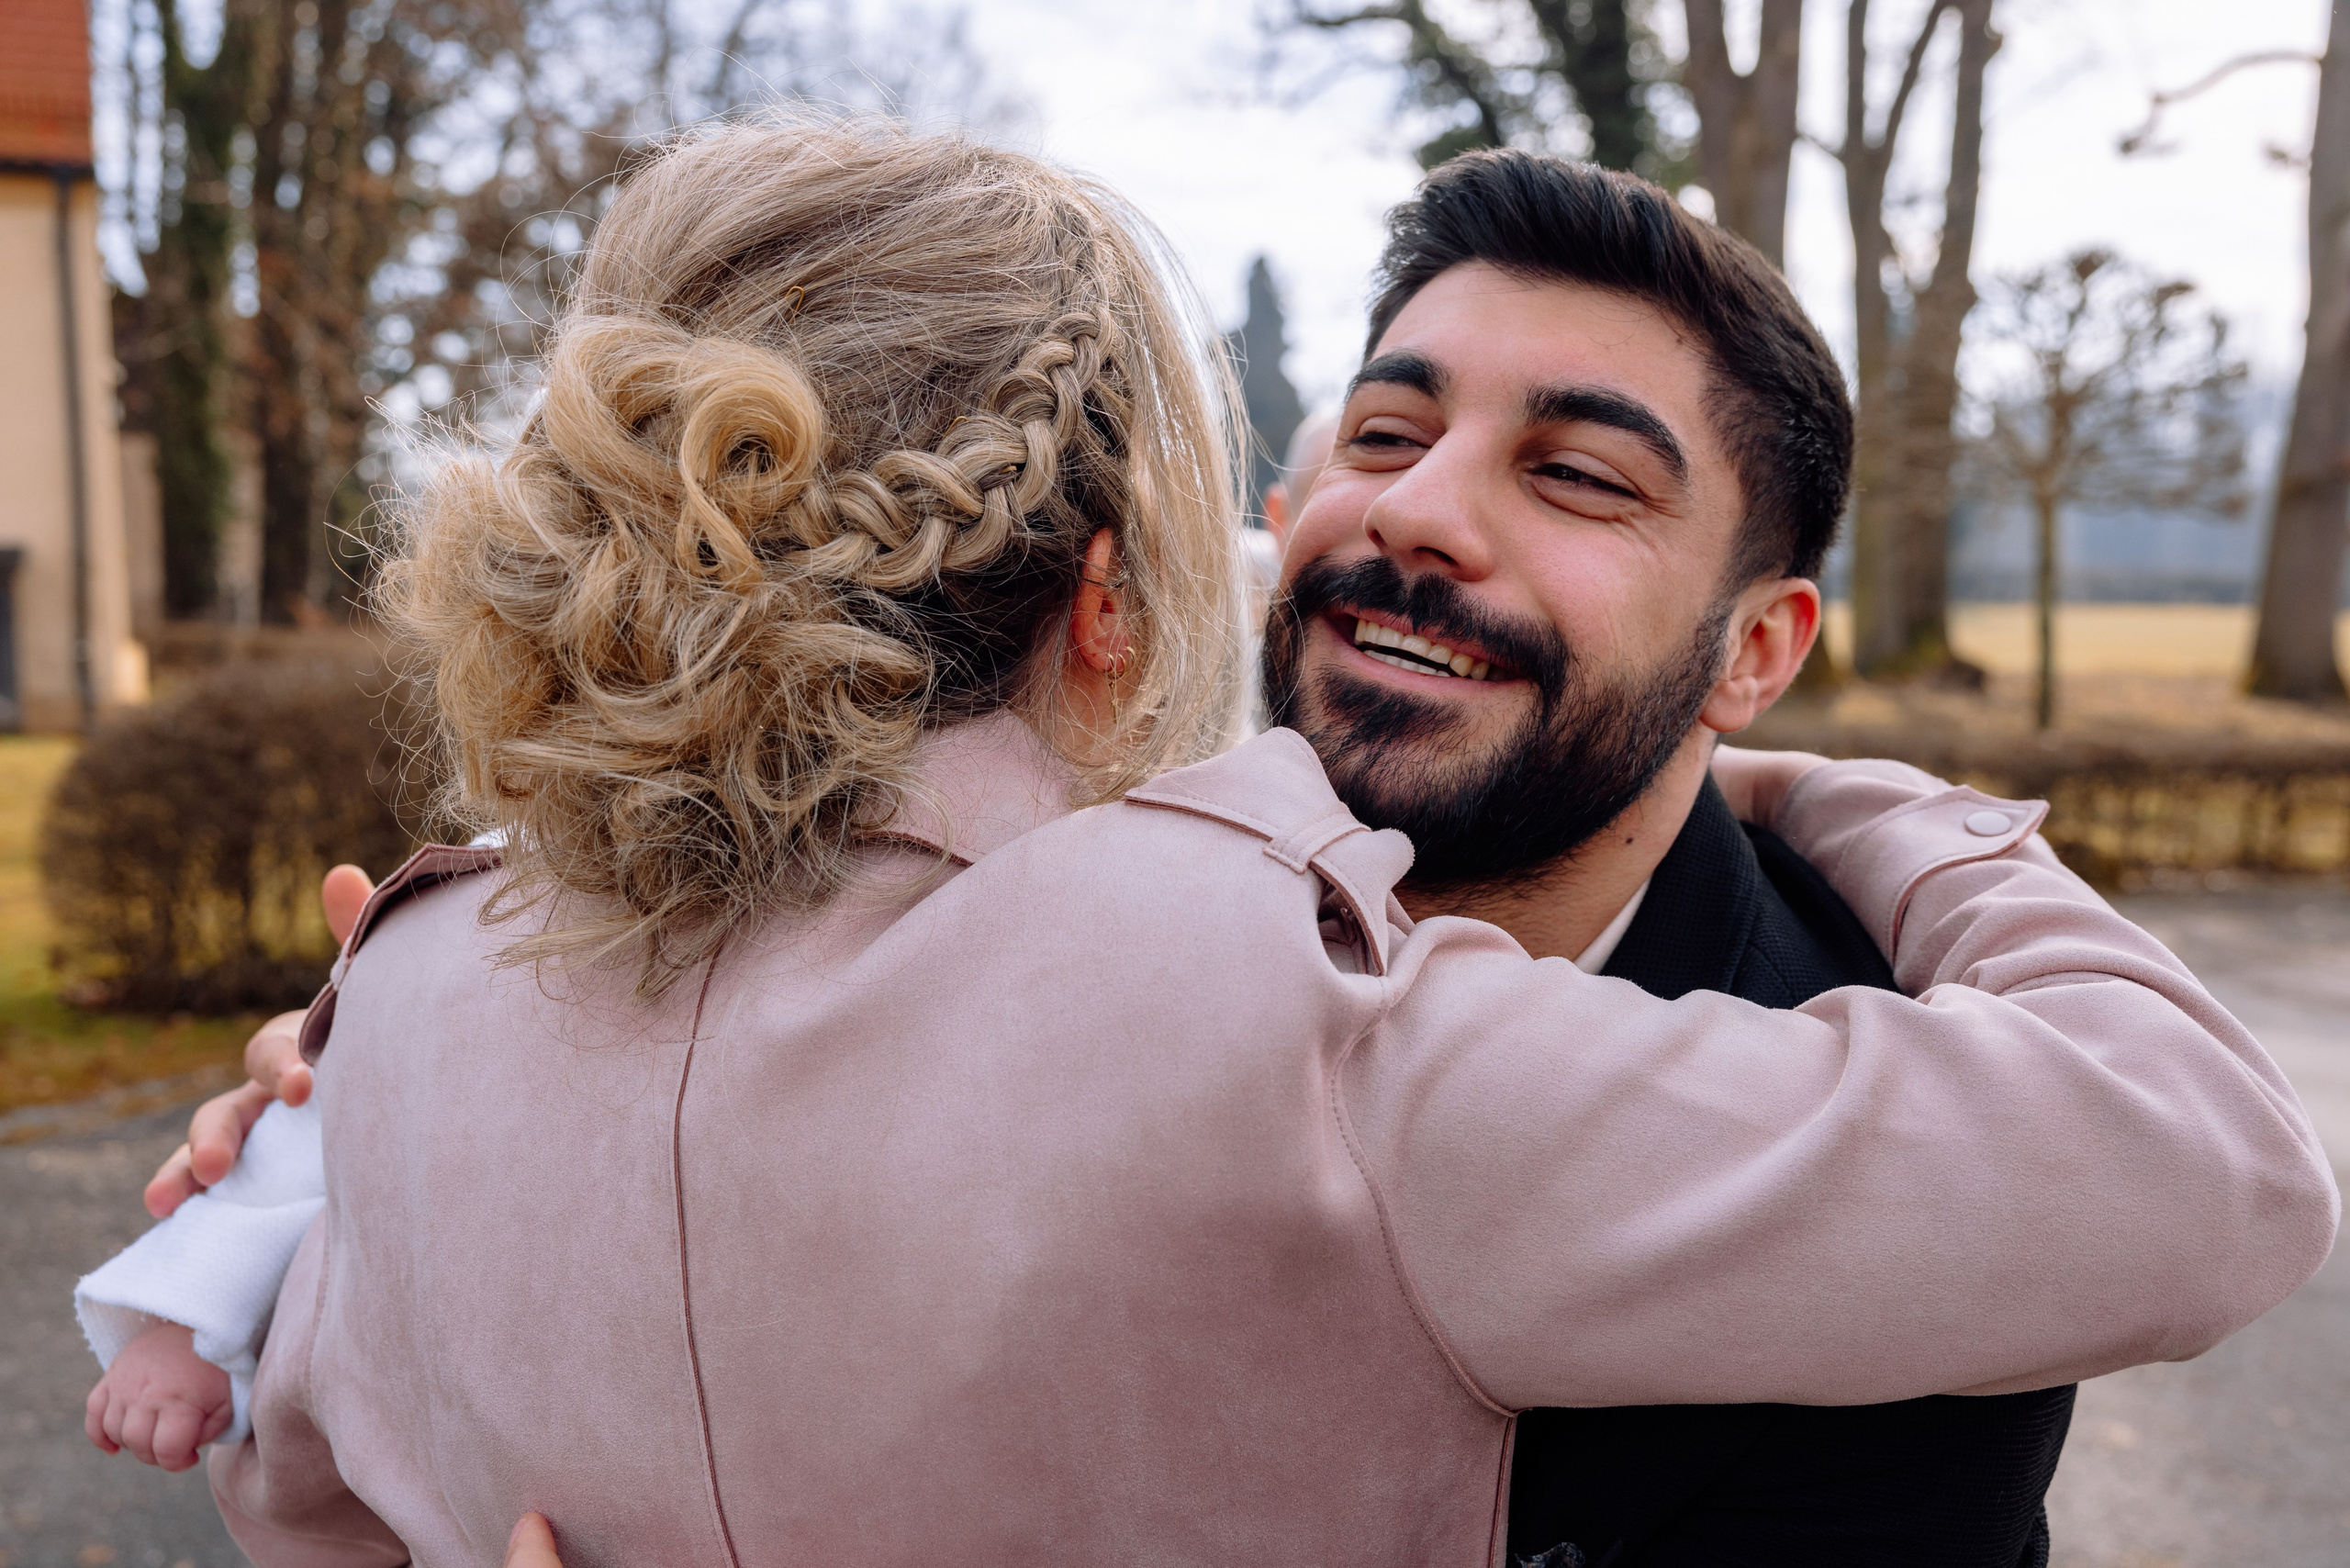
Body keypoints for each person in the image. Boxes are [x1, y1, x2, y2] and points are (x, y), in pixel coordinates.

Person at [76, 121, 2335, 1565]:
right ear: (1214, 547)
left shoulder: (1848, 1093)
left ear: (1759, 646)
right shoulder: (1238, 990)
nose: (1421, 508)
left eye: (1578, 473)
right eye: (1381, 426)